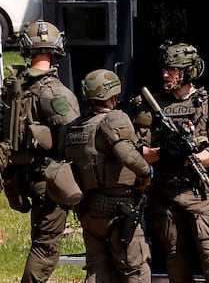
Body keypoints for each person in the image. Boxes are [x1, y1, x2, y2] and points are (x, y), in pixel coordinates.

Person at [133, 42, 209, 283]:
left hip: (200, 194)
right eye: (165, 69)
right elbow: (138, 151)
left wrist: (190, 158)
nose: (166, 74)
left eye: (172, 70)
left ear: (188, 72)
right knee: (175, 259)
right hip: (166, 195)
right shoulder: (151, 105)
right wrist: (163, 153)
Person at [1, 21, 80, 283]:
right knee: (45, 247)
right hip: (47, 179)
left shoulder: (15, 87)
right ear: (57, 48)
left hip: (21, 175)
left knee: (39, 239)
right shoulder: (55, 93)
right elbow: (73, 137)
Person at [62, 69, 152, 282]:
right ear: (112, 96)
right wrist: (147, 174)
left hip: (90, 212)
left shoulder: (74, 128)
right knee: (136, 271)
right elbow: (127, 155)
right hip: (119, 212)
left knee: (97, 270)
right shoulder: (113, 119)